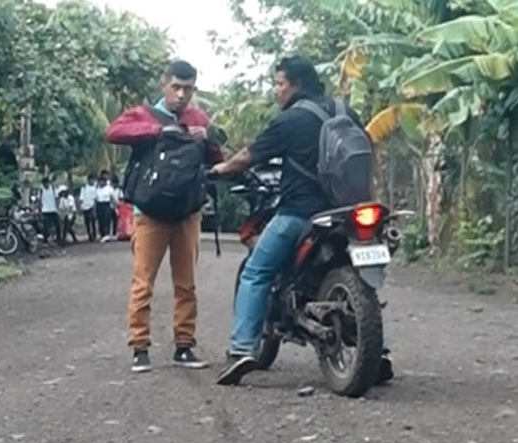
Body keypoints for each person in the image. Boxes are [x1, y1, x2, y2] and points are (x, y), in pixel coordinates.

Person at [210, 54, 394, 387]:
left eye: (279, 83)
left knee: (257, 271)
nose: (276, 91)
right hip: (349, 214)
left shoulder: (291, 120)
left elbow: (248, 157)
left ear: (296, 84)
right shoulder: (345, 112)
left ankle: (240, 350)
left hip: (301, 213)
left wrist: (221, 169)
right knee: (364, 280)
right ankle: (378, 353)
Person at [106, 59, 221, 374]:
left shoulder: (198, 117)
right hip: (150, 213)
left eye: (188, 88)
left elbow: (216, 157)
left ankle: (184, 346)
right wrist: (158, 130)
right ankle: (139, 347)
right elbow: (114, 131)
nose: (182, 95)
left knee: (187, 284)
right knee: (143, 282)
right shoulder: (144, 114)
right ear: (164, 84)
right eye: (177, 87)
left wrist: (206, 138)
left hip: (188, 212)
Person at [96, 171, 118, 240]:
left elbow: (114, 198)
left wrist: (115, 206)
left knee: (106, 220)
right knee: (100, 221)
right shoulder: (97, 189)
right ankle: (102, 234)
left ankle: (107, 234)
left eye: (102, 182)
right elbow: (95, 199)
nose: (100, 183)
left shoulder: (109, 189)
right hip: (99, 205)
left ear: (105, 182)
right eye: (99, 182)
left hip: (106, 205)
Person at [39, 177, 60, 244]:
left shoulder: (53, 189)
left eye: (47, 183)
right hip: (45, 210)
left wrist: (57, 207)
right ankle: (45, 240)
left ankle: (58, 239)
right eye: (44, 183)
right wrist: (39, 209)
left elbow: (57, 199)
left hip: (53, 210)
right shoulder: (41, 191)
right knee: (45, 226)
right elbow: (39, 201)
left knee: (57, 225)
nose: (46, 185)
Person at [80, 174, 99, 242]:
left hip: (91, 206)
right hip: (85, 207)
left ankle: (94, 234)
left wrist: (94, 207)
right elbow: (81, 198)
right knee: (87, 222)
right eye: (91, 180)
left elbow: (95, 198)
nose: (92, 181)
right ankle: (89, 234)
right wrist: (81, 206)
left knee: (93, 221)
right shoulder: (84, 188)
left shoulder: (94, 188)